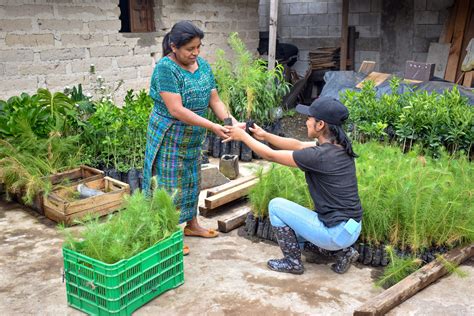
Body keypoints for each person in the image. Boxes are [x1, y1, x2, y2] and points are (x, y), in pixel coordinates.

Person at [224, 97, 363, 274]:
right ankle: (344, 252)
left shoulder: (318, 156)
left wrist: (242, 136)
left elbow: (271, 155)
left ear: (320, 125)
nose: (306, 122)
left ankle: (292, 262)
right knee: (303, 224)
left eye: (309, 119)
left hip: (334, 234)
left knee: (276, 206)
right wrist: (264, 135)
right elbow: (297, 145)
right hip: (352, 229)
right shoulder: (340, 147)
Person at [142, 21, 244, 255]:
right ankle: (167, 233)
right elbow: (176, 109)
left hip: (193, 135)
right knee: (169, 184)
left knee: (191, 180)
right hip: (170, 134)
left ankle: (192, 225)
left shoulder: (203, 66)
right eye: (190, 48)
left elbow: (215, 100)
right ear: (174, 47)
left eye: (199, 47)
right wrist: (212, 126)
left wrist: (231, 122)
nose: (195, 53)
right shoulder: (165, 69)